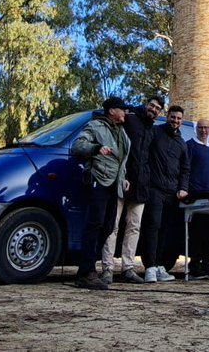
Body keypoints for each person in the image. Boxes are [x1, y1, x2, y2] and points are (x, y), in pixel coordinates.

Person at [99, 95, 162, 285]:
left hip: (142, 184)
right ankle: (107, 268)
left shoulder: (153, 130)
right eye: (151, 105)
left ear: (159, 112)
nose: (153, 109)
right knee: (113, 224)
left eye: (157, 108)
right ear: (146, 105)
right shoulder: (130, 119)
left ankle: (128, 268)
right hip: (122, 179)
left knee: (134, 227)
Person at [70, 97, 131, 290]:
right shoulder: (95, 126)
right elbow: (77, 146)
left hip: (115, 185)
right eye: (122, 109)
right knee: (94, 224)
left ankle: (90, 269)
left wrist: (124, 178)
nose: (125, 113)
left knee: (107, 227)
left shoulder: (121, 132)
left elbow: (121, 161)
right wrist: (96, 148)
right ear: (112, 110)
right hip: (99, 180)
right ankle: (85, 273)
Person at [139, 105, 189, 283]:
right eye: (173, 117)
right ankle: (150, 267)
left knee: (165, 230)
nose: (175, 121)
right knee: (153, 226)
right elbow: (143, 154)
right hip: (154, 188)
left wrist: (183, 187)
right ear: (167, 117)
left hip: (172, 193)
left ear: (181, 121)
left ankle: (160, 265)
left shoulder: (182, 143)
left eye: (178, 118)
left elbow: (185, 169)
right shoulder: (155, 132)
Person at [185, 117, 209, 279]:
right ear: (196, 129)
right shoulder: (190, 146)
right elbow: (185, 169)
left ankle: (208, 266)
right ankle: (194, 266)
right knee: (197, 234)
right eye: (200, 127)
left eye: (206, 127)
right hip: (196, 198)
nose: (203, 130)